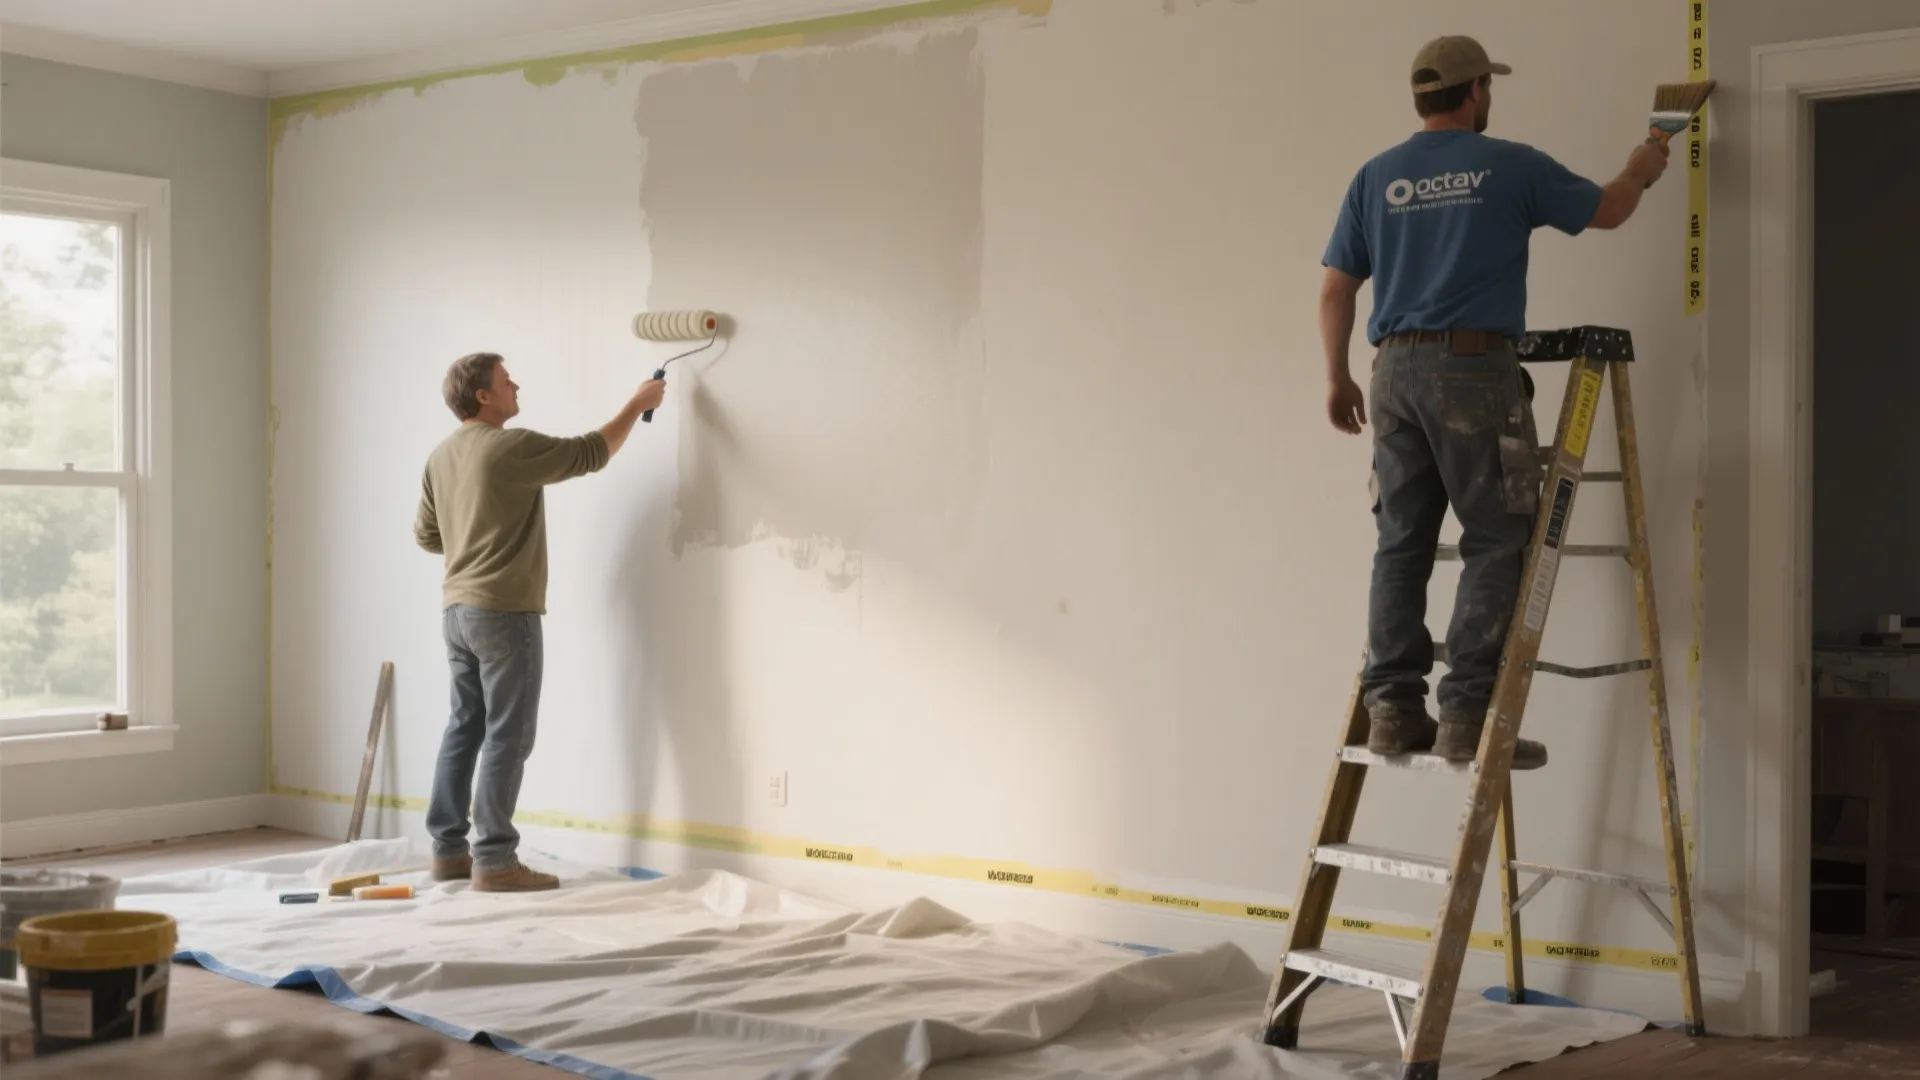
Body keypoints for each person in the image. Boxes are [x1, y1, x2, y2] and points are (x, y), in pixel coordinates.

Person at [1318, 35, 1669, 767]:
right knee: (1497, 538)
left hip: (1390, 376)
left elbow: (1334, 287)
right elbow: (1606, 211)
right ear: (1476, 90)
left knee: (1401, 543)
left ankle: (1391, 712)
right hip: (1473, 371)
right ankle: (1468, 719)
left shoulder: (1375, 178)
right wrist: (1643, 166)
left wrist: (1337, 376)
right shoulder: (1508, 164)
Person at [413, 353, 666, 890]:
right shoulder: (510, 447)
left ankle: (448, 853)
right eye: (507, 380)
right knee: (507, 736)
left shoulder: (441, 456)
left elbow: (427, 536)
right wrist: (638, 404)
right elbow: (591, 453)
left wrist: (474, 539)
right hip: (504, 612)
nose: (515, 384)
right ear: (483, 396)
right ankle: (497, 863)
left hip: (456, 612)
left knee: (464, 728)